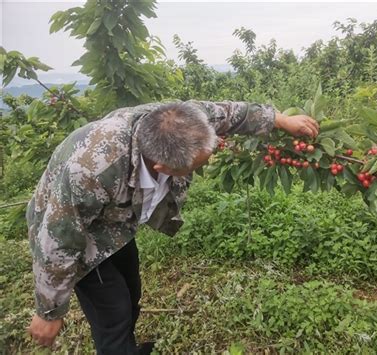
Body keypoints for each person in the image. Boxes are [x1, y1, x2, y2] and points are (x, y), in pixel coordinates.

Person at [26, 100, 319, 354]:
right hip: (80, 229)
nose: (208, 162)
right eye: (193, 167)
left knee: (131, 292)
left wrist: (281, 120)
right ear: (162, 168)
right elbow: (58, 238)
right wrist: (49, 311)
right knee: (112, 312)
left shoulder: (183, 119)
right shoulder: (92, 170)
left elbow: (230, 112)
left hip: (117, 220)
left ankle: (127, 347)